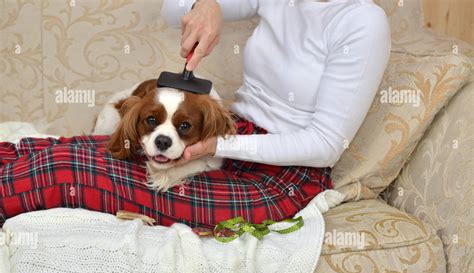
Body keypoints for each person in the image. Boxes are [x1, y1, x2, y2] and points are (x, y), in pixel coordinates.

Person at [0, 0, 390, 229]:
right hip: (231, 140)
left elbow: (324, 147)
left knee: (67, 173)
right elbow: (172, 9)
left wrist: (217, 144)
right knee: (57, 150)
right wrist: (209, 5)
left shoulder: (361, 21)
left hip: (283, 177)